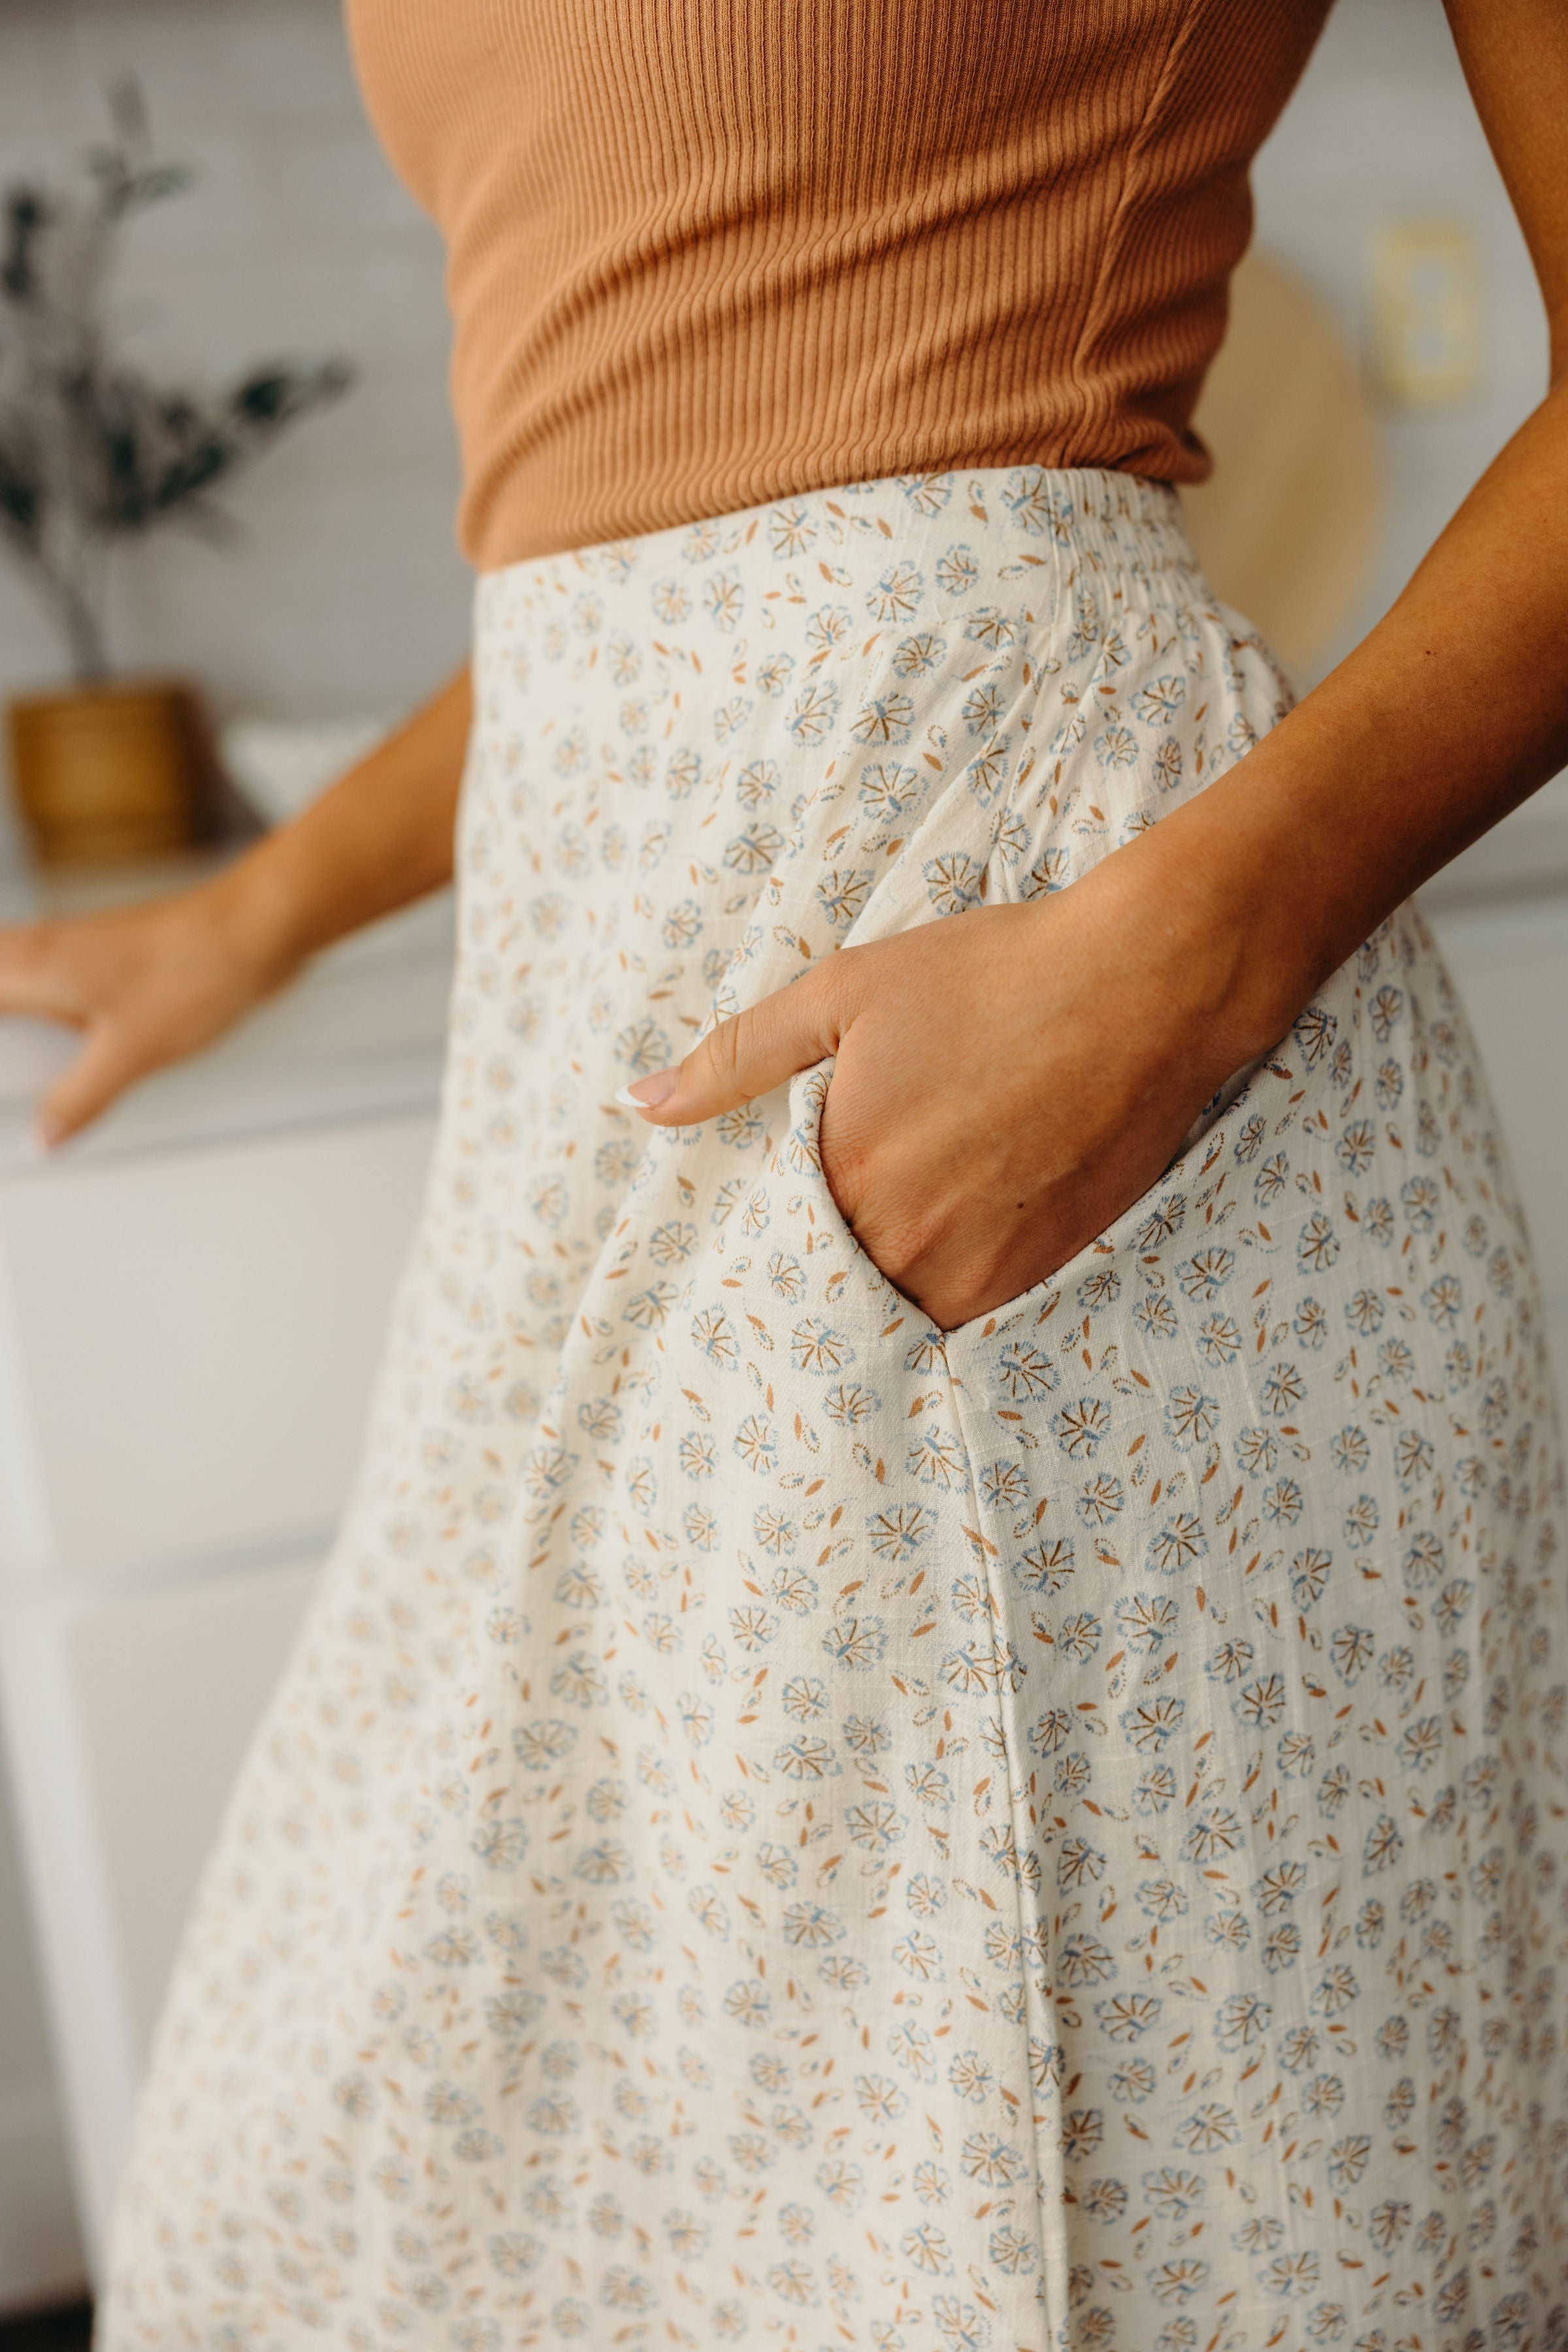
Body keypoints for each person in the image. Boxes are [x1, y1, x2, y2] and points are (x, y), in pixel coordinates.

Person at [5, 0, 1566, 2341]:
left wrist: (1173, 976)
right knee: (349, 2188)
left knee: (1091, 2228)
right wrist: (258, 909)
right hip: (594, 1113)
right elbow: (646, 544)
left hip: (1047, 1052)